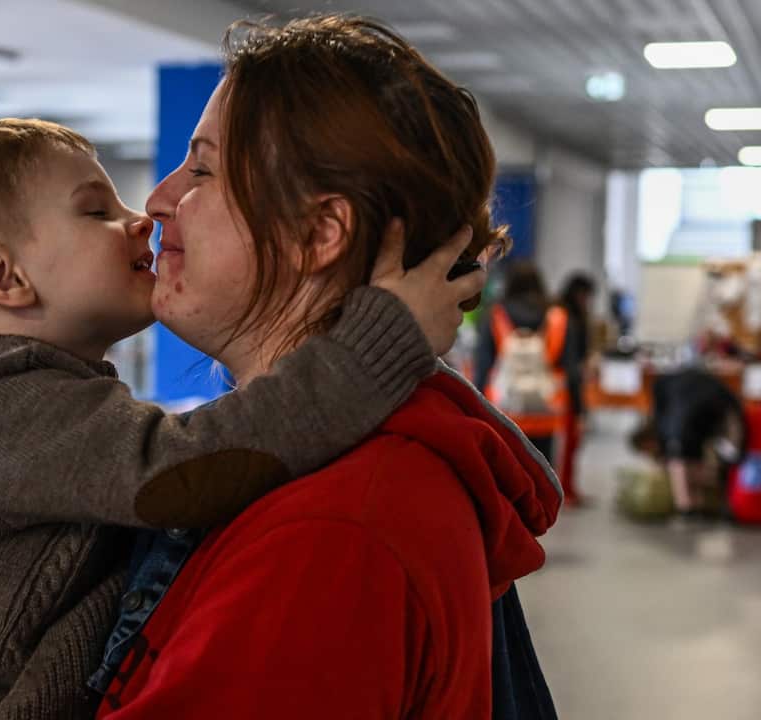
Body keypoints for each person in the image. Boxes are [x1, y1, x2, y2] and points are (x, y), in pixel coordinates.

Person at [0, 119, 484, 718]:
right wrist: (380, 343)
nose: (141, 217)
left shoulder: (35, 396)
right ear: (4, 275)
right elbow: (191, 467)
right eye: (96, 211)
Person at [93, 15, 561, 718]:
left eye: (203, 169)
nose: (158, 201)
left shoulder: (330, 534)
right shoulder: (338, 475)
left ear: (320, 232)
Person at [475, 261, 567, 467]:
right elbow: (570, 368)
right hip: (546, 410)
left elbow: (483, 365)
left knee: (505, 475)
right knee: (543, 476)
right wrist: (579, 411)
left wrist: (476, 409)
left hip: (504, 409)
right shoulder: (557, 318)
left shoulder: (495, 315)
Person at [632, 368, 746, 518]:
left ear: (647, 440)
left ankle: (687, 506)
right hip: (727, 406)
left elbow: (672, 438)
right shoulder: (669, 389)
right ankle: (714, 501)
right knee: (728, 455)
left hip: (702, 414)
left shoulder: (668, 421)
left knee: (679, 458)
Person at [556, 272, 597, 505]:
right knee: (568, 443)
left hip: (559, 387)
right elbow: (571, 361)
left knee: (567, 444)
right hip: (566, 390)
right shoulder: (568, 319)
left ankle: (567, 489)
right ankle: (566, 491)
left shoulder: (558, 314)